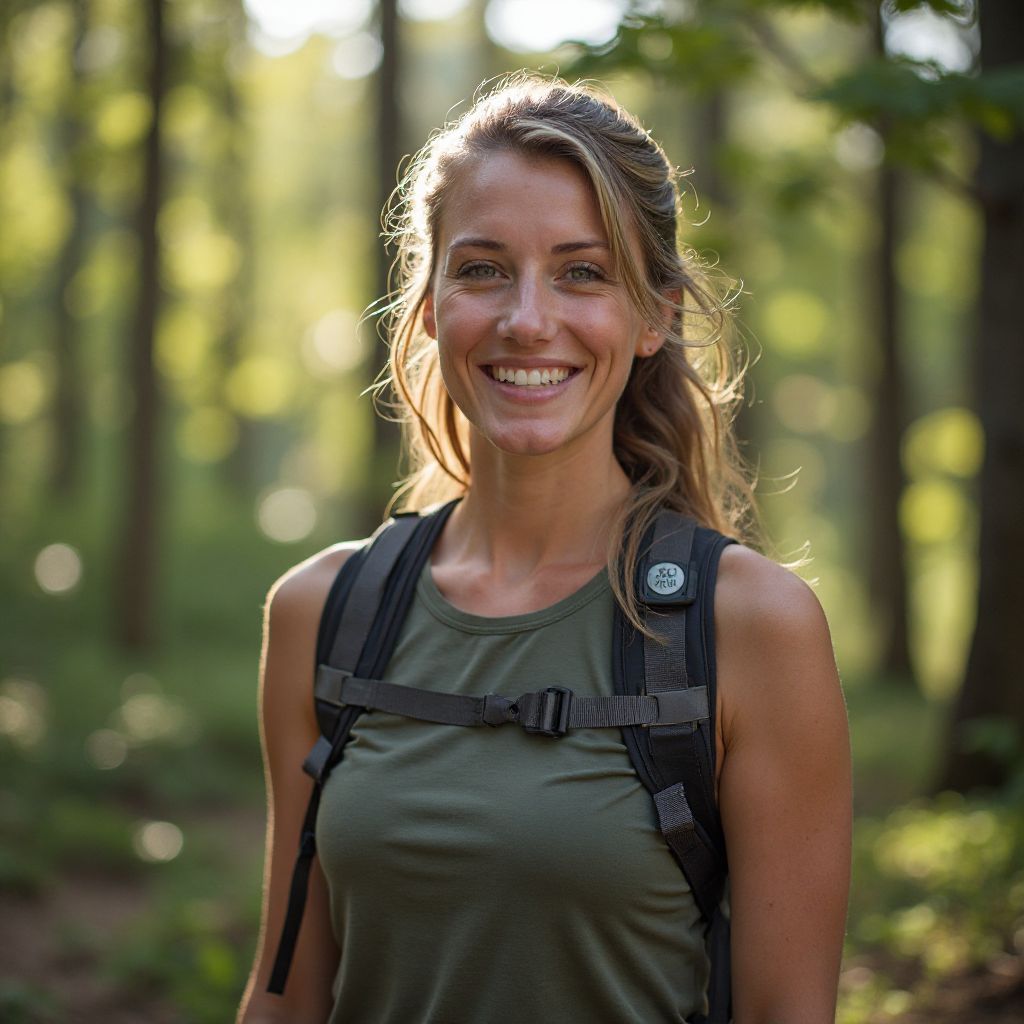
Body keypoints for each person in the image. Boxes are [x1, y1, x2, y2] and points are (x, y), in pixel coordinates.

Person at [238, 73, 851, 1024]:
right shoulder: (323, 611)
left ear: (654, 315)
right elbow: (286, 999)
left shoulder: (753, 627)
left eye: (583, 273)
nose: (527, 319)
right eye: (483, 269)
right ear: (431, 304)